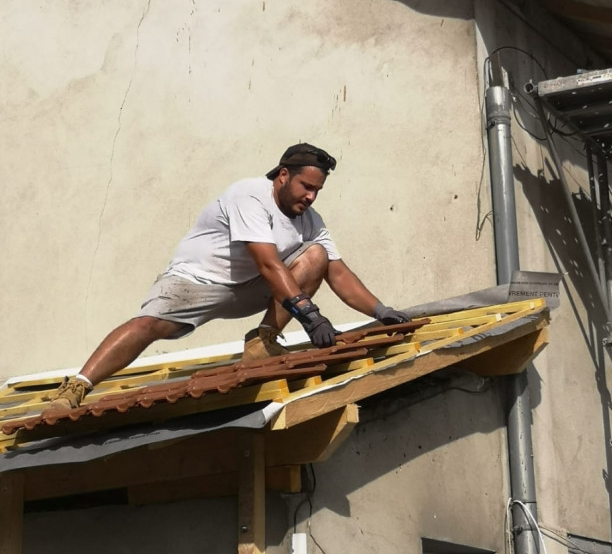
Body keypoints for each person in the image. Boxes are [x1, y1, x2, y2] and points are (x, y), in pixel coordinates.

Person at [49, 143, 409, 410]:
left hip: (250, 291)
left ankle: (262, 341)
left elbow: (338, 273)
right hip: (196, 284)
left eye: (317, 191)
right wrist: (310, 316)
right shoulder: (249, 195)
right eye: (305, 187)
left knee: (317, 256)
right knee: (148, 326)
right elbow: (269, 264)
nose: (311, 197)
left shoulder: (309, 221)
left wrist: (380, 311)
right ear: (283, 175)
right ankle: (77, 386)